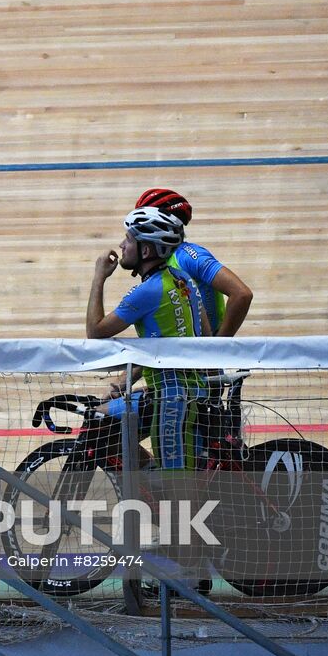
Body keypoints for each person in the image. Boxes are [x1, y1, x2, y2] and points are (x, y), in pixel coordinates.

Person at [86, 207, 211, 472]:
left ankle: (161, 487)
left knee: (179, 498)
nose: (122, 245)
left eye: (128, 239)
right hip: (185, 389)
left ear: (145, 251)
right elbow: (199, 336)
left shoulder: (146, 292)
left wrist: (99, 277)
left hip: (173, 401)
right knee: (99, 419)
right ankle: (150, 482)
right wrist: (124, 383)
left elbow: (95, 331)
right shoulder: (182, 279)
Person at [134, 188, 254, 337]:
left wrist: (220, 345)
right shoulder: (151, 257)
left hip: (204, 350)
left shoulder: (189, 256)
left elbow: (241, 294)